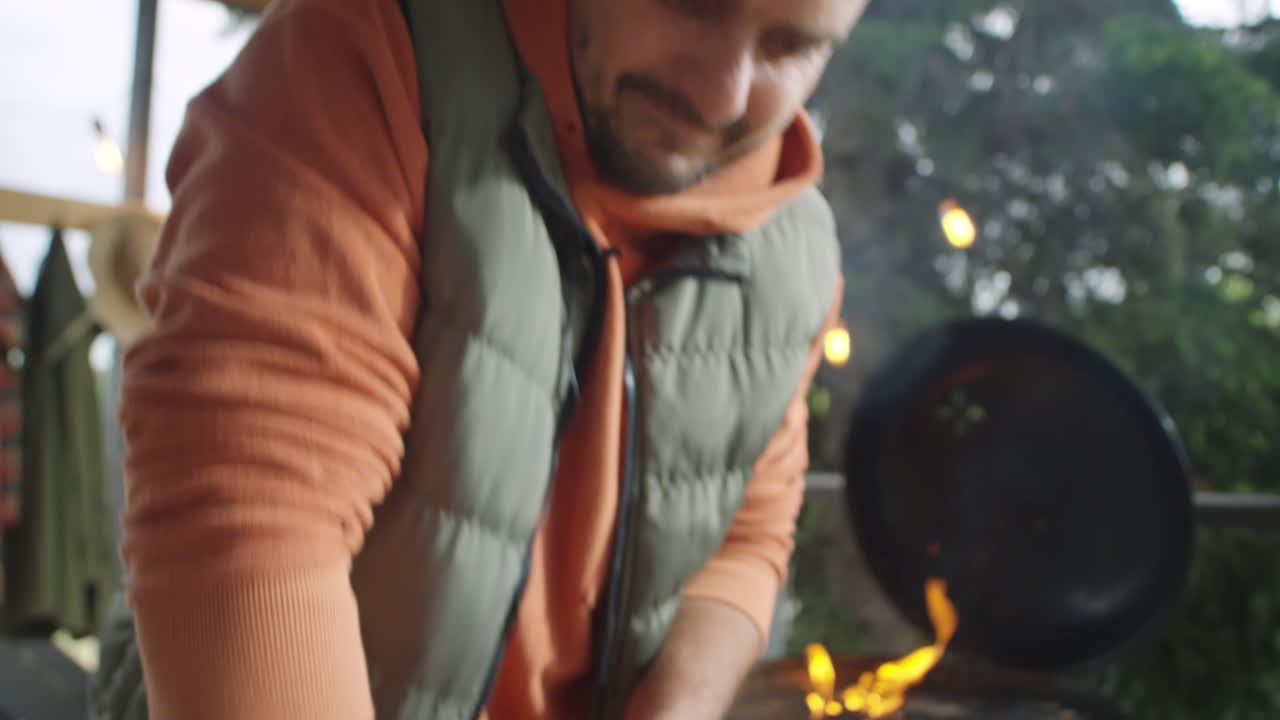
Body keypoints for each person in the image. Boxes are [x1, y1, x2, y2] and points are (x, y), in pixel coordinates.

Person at [90, 0, 866, 718]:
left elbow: (746, 535)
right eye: (693, 2)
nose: (720, 97)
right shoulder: (369, 60)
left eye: (791, 44)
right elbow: (252, 518)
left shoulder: (794, 254)